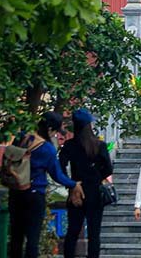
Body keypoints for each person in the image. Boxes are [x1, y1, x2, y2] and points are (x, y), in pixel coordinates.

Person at [7, 112, 82, 258]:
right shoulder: (46, 148)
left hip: (16, 191)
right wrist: (74, 184)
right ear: (50, 129)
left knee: (16, 236)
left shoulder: (22, 138)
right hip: (35, 195)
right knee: (32, 238)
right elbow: (57, 175)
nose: (55, 134)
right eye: (55, 131)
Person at [58, 109, 112, 258]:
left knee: (73, 232)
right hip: (95, 192)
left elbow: (60, 168)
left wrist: (71, 184)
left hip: (76, 190)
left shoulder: (69, 145)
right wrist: (96, 178)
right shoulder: (99, 145)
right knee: (94, 234)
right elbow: (108, 168)